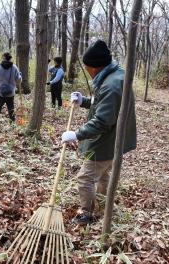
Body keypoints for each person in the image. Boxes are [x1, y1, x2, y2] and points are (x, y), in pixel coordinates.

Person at [61, 39, 137, 225]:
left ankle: (86, 213)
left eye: (87, 67)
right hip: (114, 141)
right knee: (103, 174)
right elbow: (103, 104)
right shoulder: (114, 76)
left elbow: (103, 121)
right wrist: (84, 101)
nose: (87, 70)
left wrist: (76, 134)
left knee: (85, 177)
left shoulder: (111, 85)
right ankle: (104, 204)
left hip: (107, 141)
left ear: (95, 67)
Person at [0, 52, 22, 122]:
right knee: (11, 110)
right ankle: (12, 123)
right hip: (10, 93)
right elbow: (19, 80)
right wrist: (20, 75)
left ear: (3, 58)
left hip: (0, 93)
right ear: (10, 58)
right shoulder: (14, 67)